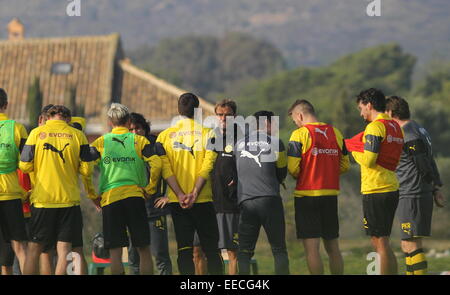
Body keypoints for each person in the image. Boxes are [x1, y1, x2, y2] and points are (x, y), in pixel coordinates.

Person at [19, 105, 96, 275]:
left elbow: (24, 165)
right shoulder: (78, 135)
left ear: (47, 118)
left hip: (42, 200)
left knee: (34, 249)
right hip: (69, 200)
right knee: (65, 250)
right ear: (68, 119)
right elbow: (87, 170)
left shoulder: (36, 134)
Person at [155, 93, 224, 275]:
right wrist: (194, 193)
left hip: (178, 202)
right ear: (197, 110)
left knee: (184, 250)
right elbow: (207, 165)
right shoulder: (209, 133)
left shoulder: (164, 137)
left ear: (178, 110)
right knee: (212, 251)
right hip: (203, 200)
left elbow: (165, 170)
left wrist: (179, 194)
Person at [89, 103, 161, 275]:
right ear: (129, 121)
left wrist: (93, 195)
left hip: (110, 199)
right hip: (135, 197)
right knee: (143, 249)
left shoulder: (101, 142)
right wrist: (149, 189)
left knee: (115, 253)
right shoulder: (139, 140)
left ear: (109, 122)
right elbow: (157, 164)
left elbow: (85, 169)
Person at [287, 99, 350, 275]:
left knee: (312, 249)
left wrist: (306, 173)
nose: (296, 124)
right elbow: (345, 166)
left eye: (295, 121)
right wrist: (327, 170)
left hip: (306, 197)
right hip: (330, 195)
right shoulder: (336, 133)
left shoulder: (299, 135)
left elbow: (292, 168)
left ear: (299, 115)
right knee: (333, 248)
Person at [345, 88, 404, 275]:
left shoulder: (375, 127)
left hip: (376, 189)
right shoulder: (394, 126)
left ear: (369, 105)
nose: (361, 113)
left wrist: (353, 151)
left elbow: (369, 160)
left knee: (379, 243)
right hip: (391, 187)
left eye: (361, 108)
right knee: (384, 242)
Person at [386, 96, 445, 275]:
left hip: (412, 193)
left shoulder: (407, 132)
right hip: (415, 192)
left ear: (390, 113)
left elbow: (422, 163)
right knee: (408, 242)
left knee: (411, 243)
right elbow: (429, 160)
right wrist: (436, 187)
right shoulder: (419, 128)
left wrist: (434, 188)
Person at [235, 110, 289, 275]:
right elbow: (282, 172)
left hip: (246, 202)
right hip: (269, 199)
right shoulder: (276, 142)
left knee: (244, 251)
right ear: (267, 123)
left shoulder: (238, 144)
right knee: (279, 249)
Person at [126, 112, 172, 275]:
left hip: (154, 210)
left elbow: (170, 173)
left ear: (144, 129)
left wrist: (170, 196)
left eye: (137, 128)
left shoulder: (156, 147)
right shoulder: (123, 149)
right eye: (130, 129)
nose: (134, 133)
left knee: (160, 256)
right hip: (131, 210)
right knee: (134, 258)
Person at [211, 99, 242, 275]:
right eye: (220, 115)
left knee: (232, 252)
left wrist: (236, 180)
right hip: (211, 202)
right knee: (212, 253)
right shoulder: (210, 137)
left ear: (234, 116)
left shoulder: (241, 137)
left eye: (228, 115)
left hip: (232, 203)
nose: (223, 118)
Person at [0, 88, 29, 273]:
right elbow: (27, 164)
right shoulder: (17, 128)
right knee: (19, 247)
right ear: (6, 105)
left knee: (4, 253)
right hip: (11, 194)